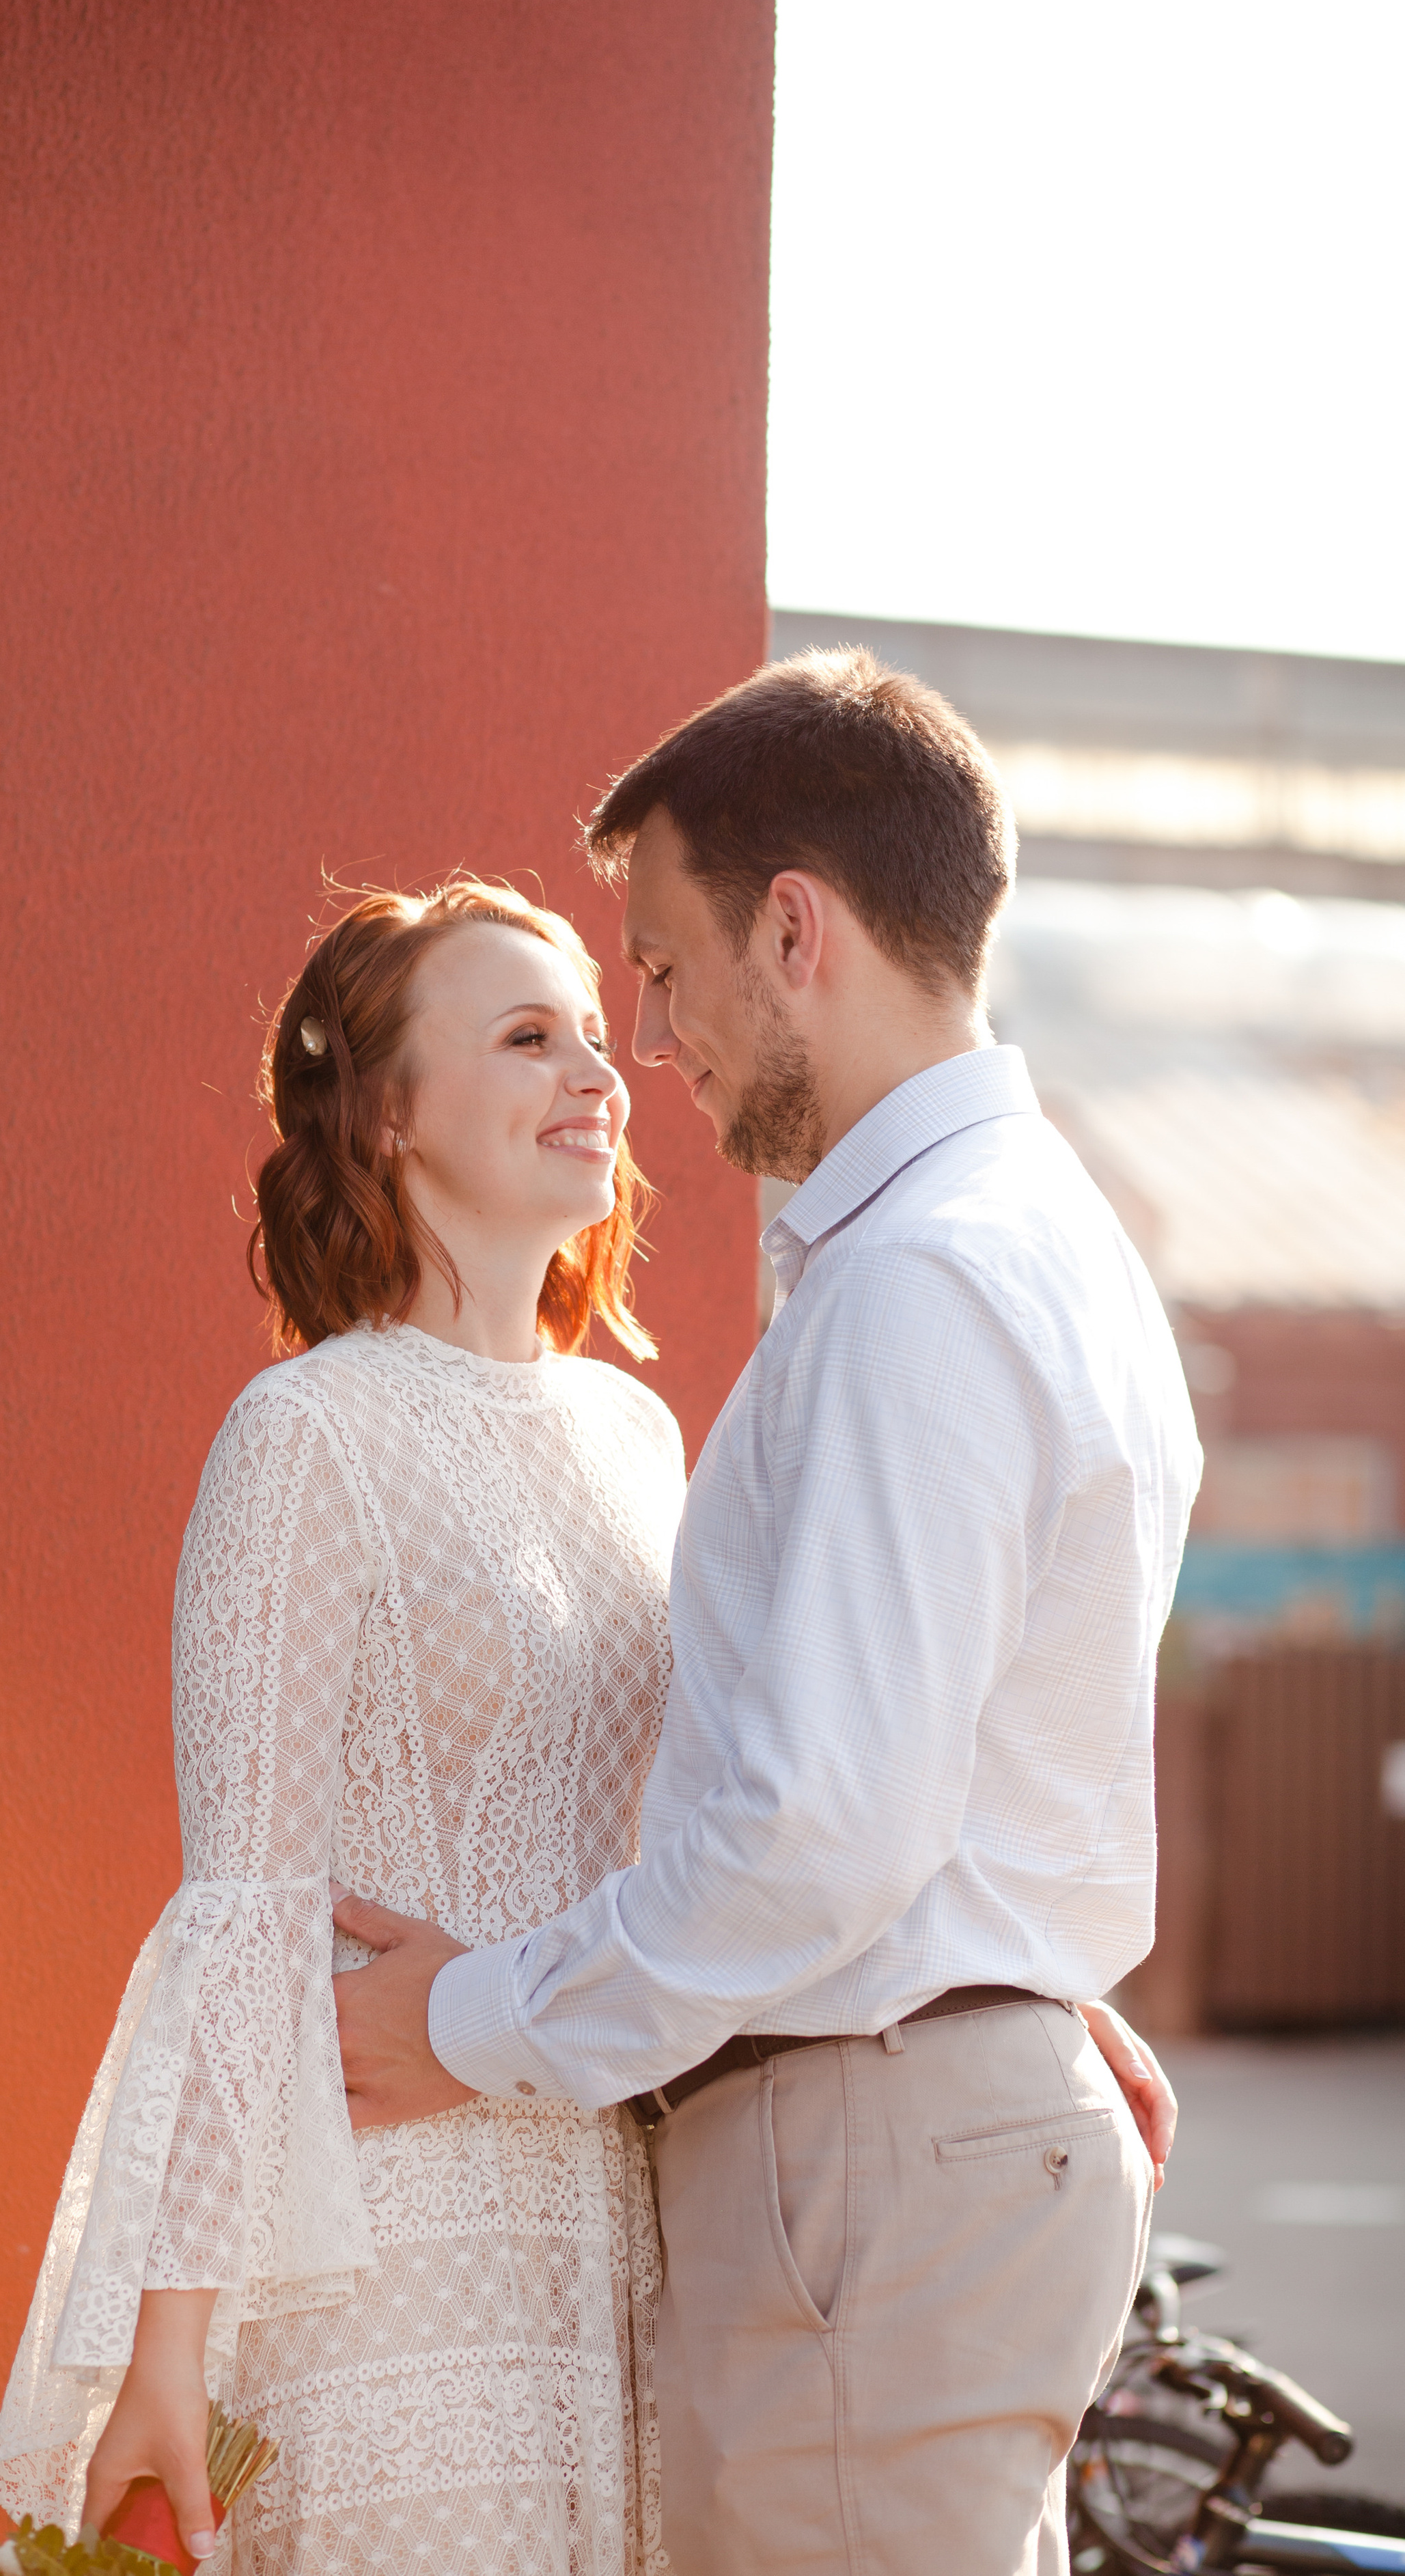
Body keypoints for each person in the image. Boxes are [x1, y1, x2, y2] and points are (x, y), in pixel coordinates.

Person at [331, 649, 1203, 2576]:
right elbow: (957, 1767)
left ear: (793, 929)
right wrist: (1029, 1994)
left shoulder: (922, 1288)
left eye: (660, 964)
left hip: (866, 2182)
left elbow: (819, 1837)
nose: (649, 1036)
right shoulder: (1035, 1240)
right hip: (918, 2152)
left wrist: (457, 2019)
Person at [0, 877, 691, 2574]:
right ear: (384, 1117)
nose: (596, 1071)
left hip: (611, 2231)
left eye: (597, 1034)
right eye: (528, 1038)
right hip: (377, 2251)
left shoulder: (639, 1437)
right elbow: (243, 1919)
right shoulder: (302, 1435)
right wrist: (165, 2355)